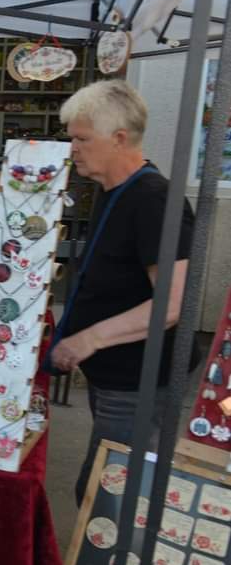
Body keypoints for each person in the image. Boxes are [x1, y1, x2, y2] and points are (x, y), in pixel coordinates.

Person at [50, 79, 200, 506]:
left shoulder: (154, 200)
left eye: (81, 139)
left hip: (139, 381)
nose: (73, 149)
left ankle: (114, 551)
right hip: (115, 376)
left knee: (110, 495)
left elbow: (171, 304)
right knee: (102, 487)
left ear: (119, 139)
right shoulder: (114, 191)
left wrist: (89, 339)